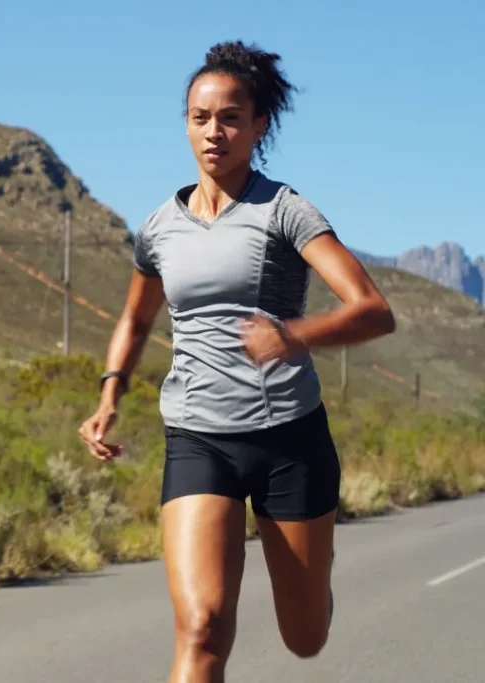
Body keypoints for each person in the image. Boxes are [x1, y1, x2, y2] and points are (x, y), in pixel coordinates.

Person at [78, 40, 396, 682]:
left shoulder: (285, 211)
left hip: (289, 440)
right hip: (199, 437)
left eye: (229, 117)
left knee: (304, 638)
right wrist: (111, 391)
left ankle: (314, 591)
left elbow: (372, 309)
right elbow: (137, 318)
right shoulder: (160, 227)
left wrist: (296, 335)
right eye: (200, 117)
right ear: (186, 124)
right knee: (202, 627)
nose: (213, 131)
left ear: (257, 126)